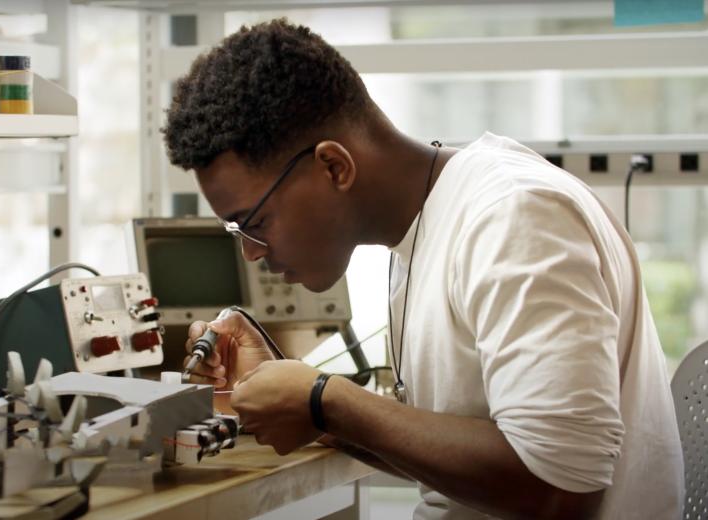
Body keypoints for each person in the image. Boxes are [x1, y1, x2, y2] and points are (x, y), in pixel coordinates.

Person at [162, 19, 684, 519]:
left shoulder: (512, 215)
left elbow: (559, 488)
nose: (252, 252)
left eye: (252, 222)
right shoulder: (425, 228)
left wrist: (327, 399)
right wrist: (303, 407)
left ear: (333, 166)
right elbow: (449, 455)